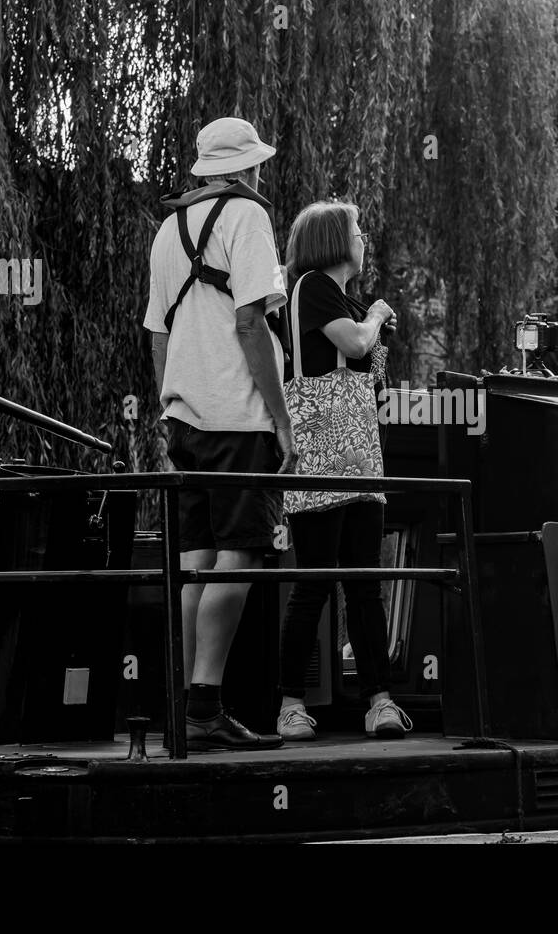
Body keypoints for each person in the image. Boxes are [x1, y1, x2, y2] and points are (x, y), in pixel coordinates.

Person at [143, 117, 298, 750]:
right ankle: (207, 705)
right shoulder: (248, 219)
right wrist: (282, 418)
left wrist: (167, 405)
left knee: (193, 561)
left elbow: (158, 333)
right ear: (244, 168)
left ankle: (186, 706)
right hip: (240, 418)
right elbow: (251, 324)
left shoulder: (166, 231)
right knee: (240, 556)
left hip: (185, 420)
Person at [273, 201, 411, 741]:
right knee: (314, 582)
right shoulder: (311, 286)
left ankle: (379, 700)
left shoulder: (341, 298)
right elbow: (355, 342)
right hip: (325, 453)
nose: (364, 236)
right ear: (334, 239)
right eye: (357, 230)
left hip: (358, 457)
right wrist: (375, 316)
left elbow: (367, 379)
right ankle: (290, 703)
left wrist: (374, 327)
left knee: (363, 585)